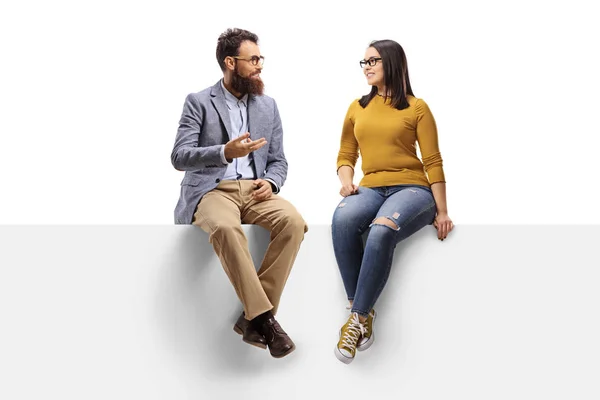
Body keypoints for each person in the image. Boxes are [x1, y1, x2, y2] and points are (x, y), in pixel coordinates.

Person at [171, 28, 307, 359]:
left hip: (257, 191)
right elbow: (179, 156)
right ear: (231, 62)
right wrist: (223, 152)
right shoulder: (199, 101)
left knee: (294, 223)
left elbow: (278, 160)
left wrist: (271, 182)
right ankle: (265, 319)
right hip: (213, 190)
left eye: (261, 58)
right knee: (226, 229)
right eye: (254, 59)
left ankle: (251, 319)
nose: (260, 65)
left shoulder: (268, 106)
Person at [332, 39, 454, 364]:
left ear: (392, 64)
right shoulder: (357, 107)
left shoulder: (417, 107)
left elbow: (433, 161)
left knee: (382, 230)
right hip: (371, 187)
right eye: (364, 62)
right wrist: (346, 182)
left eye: (373, 61)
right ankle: (362, 314)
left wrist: (442, 211)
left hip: (412, 189)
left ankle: (355, 320)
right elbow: (346, 153)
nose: (367, 66)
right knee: (342, 219)